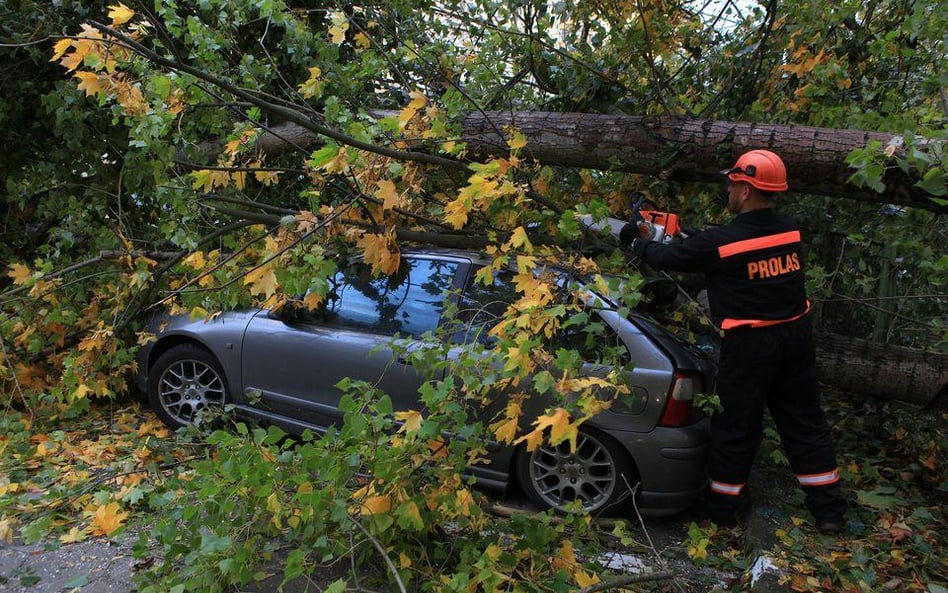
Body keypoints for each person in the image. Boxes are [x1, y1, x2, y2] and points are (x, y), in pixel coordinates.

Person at [621, 149, 846, 533]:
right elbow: (727, 249)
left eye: (732, 183)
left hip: (752, 345)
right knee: (805, 424)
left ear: (745, 189)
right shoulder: (788, 230)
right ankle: (830, 512)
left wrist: (634, 240)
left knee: (736, 429)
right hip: (795, 337)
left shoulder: (721, 244)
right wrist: (694, 236)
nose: (728, 188)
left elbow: (664, 258)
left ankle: (720, 514)